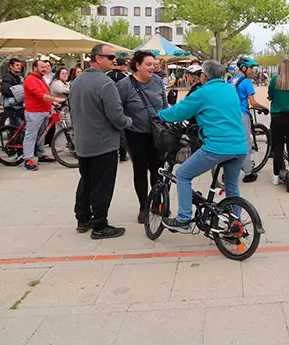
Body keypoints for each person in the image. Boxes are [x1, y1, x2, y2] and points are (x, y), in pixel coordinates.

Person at [158, 60, 248, 233]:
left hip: (217, 147)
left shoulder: (203, 92)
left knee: (183, 174)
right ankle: (235, 225)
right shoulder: (231, 89)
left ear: (204, 76)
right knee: (232, 187)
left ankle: (183, 219)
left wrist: (160, 115)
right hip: (239, 146)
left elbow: (180, 111)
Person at [71, 43, 132, 239]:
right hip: (103, 143)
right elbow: (116, 115)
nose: (114, 60)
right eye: (111, 57)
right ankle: (100, 225)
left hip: (82, 141)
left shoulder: (77, 81)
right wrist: (127, 121)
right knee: (103, 185)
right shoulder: (106, 84)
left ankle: (83, 218)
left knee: (86, 180)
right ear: (98, 58)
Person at [116, 50, 169, 223]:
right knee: (140, 170)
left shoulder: (157, 82)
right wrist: (124, 138)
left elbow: (164, 105)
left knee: (158, 170)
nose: (152, 68)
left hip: (157, 133)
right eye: (148, 64)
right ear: (137, 65)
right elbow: (117, 110)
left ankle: (157, 203)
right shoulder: (124, 85)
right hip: (135, 135)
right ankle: (143, 206)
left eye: (154, 64)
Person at [231, 56, 269, 183]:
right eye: (251, 68)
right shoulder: (247, 82)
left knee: (233, 142)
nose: (252, 71)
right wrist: (264, 108)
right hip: (242, 114)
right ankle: (248, 173)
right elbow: (252, 102)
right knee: (245, 143)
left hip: (231, 114)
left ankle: (228, 172)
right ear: (244, 68)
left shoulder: (231, 80)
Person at [23, 60, 64, 171]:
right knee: (31, 136)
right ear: (35, 68)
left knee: (41, 135)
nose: (44, 69)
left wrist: (52, 102)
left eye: (45, 67)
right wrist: (55, 99)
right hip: (34, 112)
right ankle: (27, 159)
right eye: (42, 67)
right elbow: (41, 95)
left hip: (43, 111)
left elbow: (46, 94)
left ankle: (41, 155)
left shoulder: (40, 79)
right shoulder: (30, 80)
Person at [0, 58, 25, 127]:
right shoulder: (8, 77)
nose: (19, 67)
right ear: (11, 66)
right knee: (15, 128)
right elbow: (5, 91)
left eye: (20, 65)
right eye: (17, 65)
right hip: (11, 108)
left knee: (18, 129)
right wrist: (18, 93)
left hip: (17, 107)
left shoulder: (18, 78)